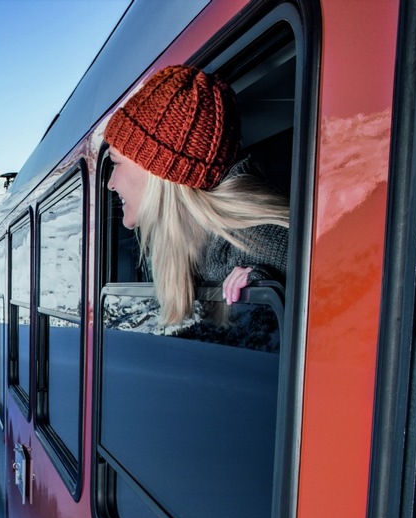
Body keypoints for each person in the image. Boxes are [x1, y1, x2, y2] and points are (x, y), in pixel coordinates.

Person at [104, 64, 289, 325]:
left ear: (159, 171)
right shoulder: (191, 244)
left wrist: (263, 303)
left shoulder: (262, 245)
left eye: (116, 162)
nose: (110, 183)